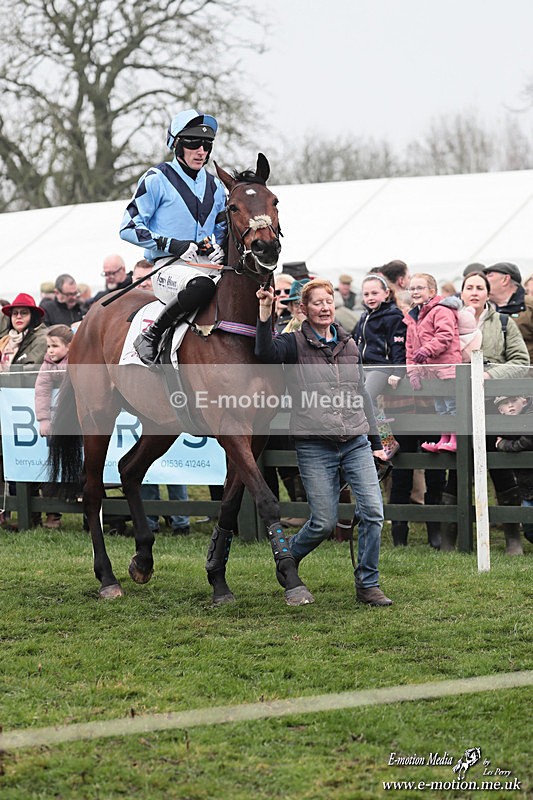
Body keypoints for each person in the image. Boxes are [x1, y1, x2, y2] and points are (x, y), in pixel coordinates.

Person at [254, 278, 392, 606]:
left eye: (328, 301)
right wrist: (264, 311)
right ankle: (288, 558)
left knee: (373, 513)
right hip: (314, 444)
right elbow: (263, 352)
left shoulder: (350, 344)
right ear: (303, 309)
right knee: (323, 522)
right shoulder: (292, 344)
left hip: (355, 441)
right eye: (317, 303)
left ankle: (368, 584)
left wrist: (376, 441)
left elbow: (362, 394)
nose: (325, 307)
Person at [120, 108, 227, 365]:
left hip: (208, 266)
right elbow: (128, 227)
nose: (201, 151)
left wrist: (222, 247)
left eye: (207, 144)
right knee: (202, 287)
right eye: (193, 143)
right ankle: (151, 335)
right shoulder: (156, 179)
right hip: (168, 267)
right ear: (176, 144)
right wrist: (171, 244)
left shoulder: (216, 186)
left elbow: (223, 231)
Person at [441, 271, 530, 554]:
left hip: (495, 405)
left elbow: (521, 360)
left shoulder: (503, 322)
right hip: (458, 403)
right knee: (457, 467)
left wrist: (489, 374)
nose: (474, 292)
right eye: (469, 287)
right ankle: (449, 538)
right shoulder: (449, 319)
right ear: (462, 292)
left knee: (499, 465)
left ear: (488, 294)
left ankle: (512, 537)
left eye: (480, 287)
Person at [130, 259, 190, 535]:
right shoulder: (138, 309)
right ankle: (150, 337)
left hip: (175, 398)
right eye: (139, 279)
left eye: (146, 279)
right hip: (146, 392)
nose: (143, 284)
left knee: (175, 463)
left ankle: (181, 520)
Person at [0, 293, 47, 528]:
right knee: (8, 456)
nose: (18, 317)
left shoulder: (41, 337)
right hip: (8, 406)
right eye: (14, 313)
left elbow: (31, 370)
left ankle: (36, 514)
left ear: (33, 316)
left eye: (23, 313)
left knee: (31, 458)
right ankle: (9, 512)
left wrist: (6, 373)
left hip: (29, 405)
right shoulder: (6, 340)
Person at [405, 273, 461, 454]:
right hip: (430, 372)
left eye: (419, 288)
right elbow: (410, 348)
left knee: (452, 406)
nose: (415, 291)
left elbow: (445, 335)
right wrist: (413, 372)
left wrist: (427, 349)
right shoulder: (413, 317)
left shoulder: (441, 310)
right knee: (440, 408)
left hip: (447, 369)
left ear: (432, 291)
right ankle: (444, 438)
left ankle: (455, 439)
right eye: (412, 288)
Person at [35, 324, 74, 529]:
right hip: (57, 423)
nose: (50, 350)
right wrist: (44, 419)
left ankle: (85, 504)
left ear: (69, 346)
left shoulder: (79, 362)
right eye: (48, 346)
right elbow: (41, 389)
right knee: (52, 464)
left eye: (55, 346)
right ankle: (53, 513)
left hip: (78, 422)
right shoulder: (47, 363)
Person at [354, 274, 406, 411]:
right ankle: (377, 424)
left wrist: (398, 372)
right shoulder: (364, 316)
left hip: (381, 367)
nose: (370, 297)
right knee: (354, 402)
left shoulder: (393, 316)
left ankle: (381, 425)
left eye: (374, 293)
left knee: (363, 401)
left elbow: (398, 346)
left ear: (386, 293)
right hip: (363, 367)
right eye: (366, 294)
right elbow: (357, 342)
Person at [494, 395, 533, 547]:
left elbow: (526, 442)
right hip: (526, 485)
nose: (510, 405)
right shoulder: (502, 425)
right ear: (500, 410)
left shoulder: (529, 416)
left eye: (514, 401)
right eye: (505, 403)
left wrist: (504, 444)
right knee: (529, 528)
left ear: (524, 401)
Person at [483, 262, 533, 361]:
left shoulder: (530, 306)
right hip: (492, 369)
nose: (484, 279)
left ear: (505, 279)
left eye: (489, 275)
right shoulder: (483, 307)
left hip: (525, 368)